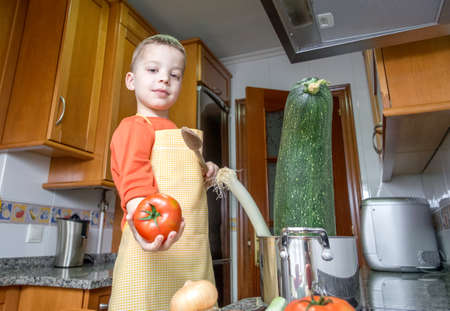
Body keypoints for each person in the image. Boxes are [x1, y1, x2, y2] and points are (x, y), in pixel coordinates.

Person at [108, 34, 219, 310]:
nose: (164, 79)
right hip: (150, 249)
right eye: (153, 70)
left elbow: (183, 187)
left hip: (191, 256)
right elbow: (134, 182)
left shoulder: (184, 135)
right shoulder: (134, 126)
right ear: (131, 81)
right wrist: (144, 229)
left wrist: (206, 174)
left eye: (175, 74)